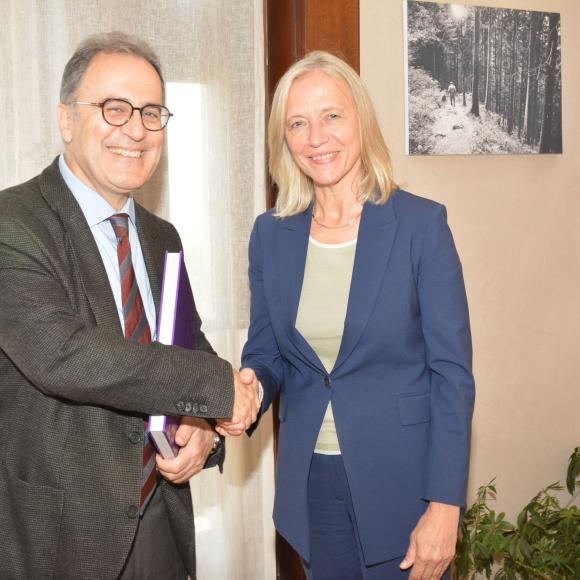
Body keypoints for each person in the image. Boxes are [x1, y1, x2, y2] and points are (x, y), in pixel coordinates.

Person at [0, 32, 260, 580]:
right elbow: (64, 355)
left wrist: (206, 432)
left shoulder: (162, 237)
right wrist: (218, 387)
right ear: (66, 120)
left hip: (161, 523)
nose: (136, 130)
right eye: (114, 109)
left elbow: (185, 348)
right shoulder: (12, 224)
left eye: (151, 112)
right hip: (58, 539)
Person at [228, 51, 475, 579]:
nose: (316, 137)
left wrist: (446, 505)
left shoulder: (420, 225)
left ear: (360, 119)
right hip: (313, 487)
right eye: (298, 123)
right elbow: (268, 353)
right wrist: (247, 391)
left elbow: (452, 375)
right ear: (283, 138)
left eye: (331, 116)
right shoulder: (271, 234)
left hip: (406, 485)